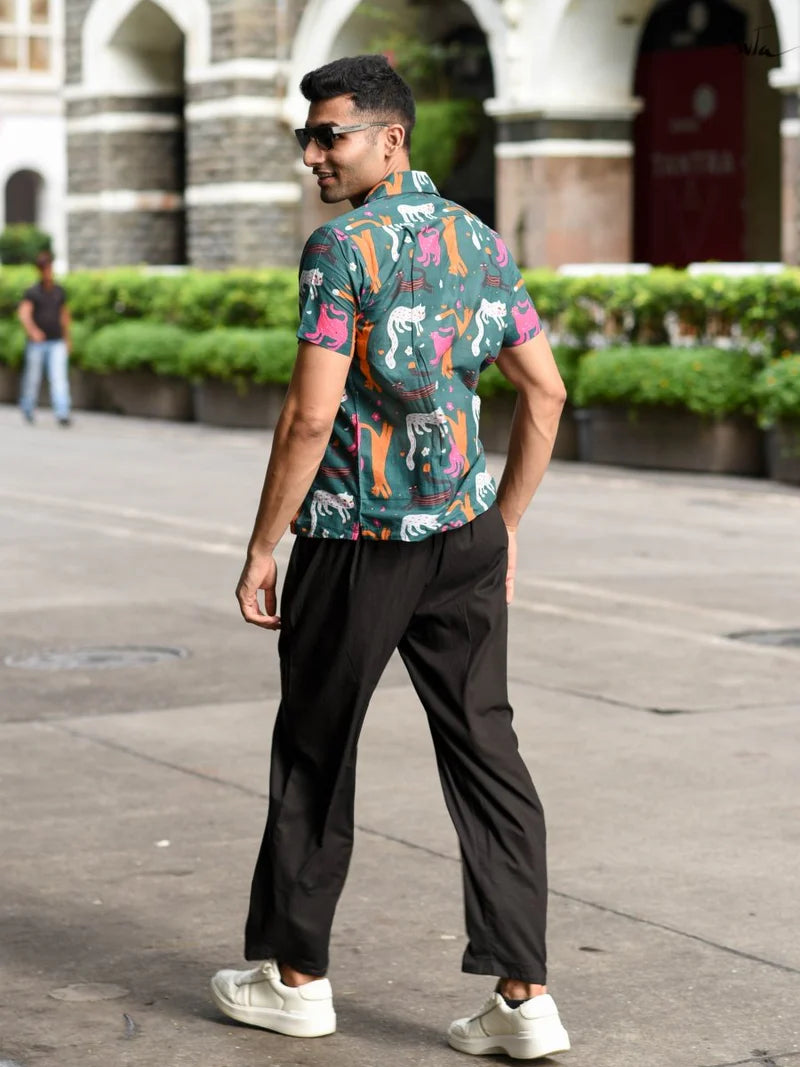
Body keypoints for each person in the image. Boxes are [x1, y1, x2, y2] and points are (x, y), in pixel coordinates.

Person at [210, 54, 570, 1061]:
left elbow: (308, 414)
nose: (312, 155)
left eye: (330, 135)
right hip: (463, 538)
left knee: (315, 748)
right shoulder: (477, 239)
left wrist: (262, 545)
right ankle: (525, 996)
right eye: (307, 137)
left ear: (390, 138)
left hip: (356, 541)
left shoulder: (340, 248)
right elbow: (545, 392)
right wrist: (502, 523)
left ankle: (295, 979)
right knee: (487, 751)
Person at [18, 249, 72, 426]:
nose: (47, 272)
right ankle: (28, 408)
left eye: (49, 268)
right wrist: (33, 331)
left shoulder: (59, 291)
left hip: (57, 341)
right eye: (44, 268)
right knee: (32, 379)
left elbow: (64, 316)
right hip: (37, 343)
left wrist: (67, 338)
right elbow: (24, 314)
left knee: (59, 378)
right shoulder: (32, 292)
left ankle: (62, 412)